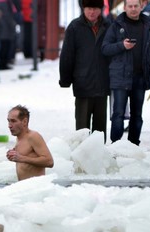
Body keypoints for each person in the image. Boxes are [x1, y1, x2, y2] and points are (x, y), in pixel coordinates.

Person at [102, 0, 150, 146]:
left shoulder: (148, 25)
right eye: (130, 6)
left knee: (137, 115)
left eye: (136, 6)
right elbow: (105, 48)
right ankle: (116, 145)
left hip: (140, 77)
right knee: (118, 114)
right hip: (120, 77)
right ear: (125, 8)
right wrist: (122, 45)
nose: (133, 9)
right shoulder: (116, 25)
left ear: (141, 7)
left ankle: (133, 145)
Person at [59, 0, 111, 140]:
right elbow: (67, 55)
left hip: (102, 82)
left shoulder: (108, 26)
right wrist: (65, 79)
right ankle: (82, 156)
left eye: (95, 8)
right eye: (88, 8)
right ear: (83, 8)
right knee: (82, 128)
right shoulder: (75, 27)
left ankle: (99, 155)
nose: (91, 12)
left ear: (101, 9)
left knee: (100, 129)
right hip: (82, 83)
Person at [6, 105, 54, 181]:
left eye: (13, 121)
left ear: (24, 121)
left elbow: (49, 162)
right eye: (8, 121)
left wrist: (22, 158)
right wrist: (13, 156)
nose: (9, 125)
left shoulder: (34, 136)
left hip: (37, 188)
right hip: (24, 188)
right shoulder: (19, 138)